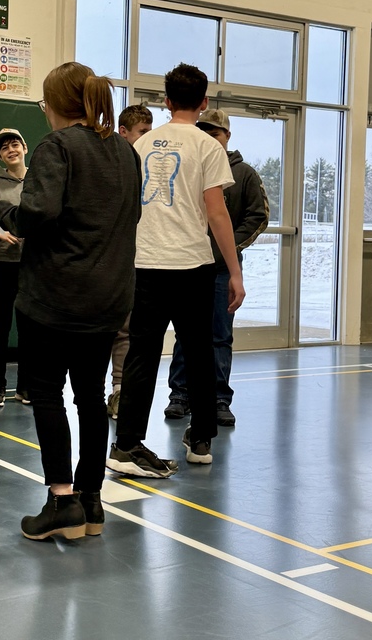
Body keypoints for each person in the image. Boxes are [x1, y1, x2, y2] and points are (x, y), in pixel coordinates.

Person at [0, 62, 141, 541]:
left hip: (55, 297)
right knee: (91, 397)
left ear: (53, 105)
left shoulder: (56, 146)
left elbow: (37, 212)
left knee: (48, 394)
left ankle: (62, 502)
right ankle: (92, 503)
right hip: (108, 296)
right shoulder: (123, 150)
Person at [106, 63, 245, 479]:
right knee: (200, 351)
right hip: (192, 265)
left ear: (166, 102)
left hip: (144, 264)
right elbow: (217, 212)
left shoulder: (141, 144)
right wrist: (235, 272)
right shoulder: (208, 147)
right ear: (204, 103)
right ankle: (200, 438)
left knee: (141, 354)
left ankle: (127, 442)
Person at [164, 108, 268, 427]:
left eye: (216, 133)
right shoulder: (188, 169)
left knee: (219, 335)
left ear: (227, 137)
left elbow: (258, 216)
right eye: (205, 132)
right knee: (185, 333)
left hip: (223, 270)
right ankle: (180, 395)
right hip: (188, 265)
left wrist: (226, 248)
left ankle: (219, 398)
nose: (210, 138)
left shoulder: (244, 174)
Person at [107, 104, 153, 419]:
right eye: (143, 133)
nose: (148, 140)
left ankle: (120, 391)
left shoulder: (150, 165)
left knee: (126, 330)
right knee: (102, 329)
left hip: (139, 259)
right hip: (106, 260)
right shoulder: (110, 162)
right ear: (124, 132)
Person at [0, 128, 29, 408]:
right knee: (1, 327)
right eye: (4, 148)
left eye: (15, 144)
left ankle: (25, 387)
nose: (11, 150)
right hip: (2, 263)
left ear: (24, 147)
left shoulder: (40, 181)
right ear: (0, 156)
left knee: (29, 329)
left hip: (32, 266)